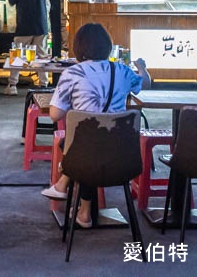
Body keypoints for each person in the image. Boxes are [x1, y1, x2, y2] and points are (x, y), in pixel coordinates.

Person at [40, 23, 152, 227]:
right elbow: (145, 83)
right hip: (123, 154)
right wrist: (142, 67)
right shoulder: (122, 70)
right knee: (88, 146)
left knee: (81, 147)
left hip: (86, 153)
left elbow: (55, 115)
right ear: (107, 46)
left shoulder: (73, 74)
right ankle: (82, 211)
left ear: (79, 48)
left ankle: (72, 196)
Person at [5, 0, 55, 95]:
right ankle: (44, 84)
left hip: (24, 26)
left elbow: (11, 2)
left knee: (17, 56)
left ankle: (12, 85)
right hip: (40, 26)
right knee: (41, 55)